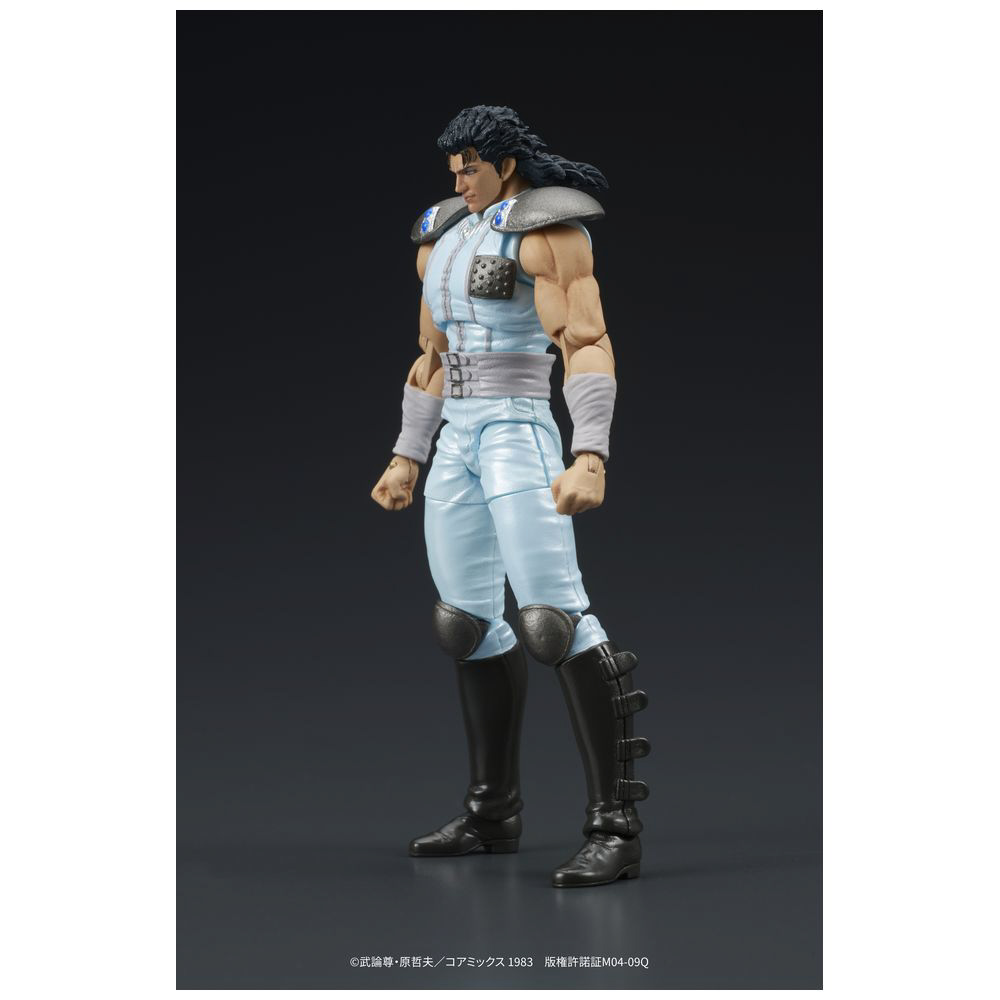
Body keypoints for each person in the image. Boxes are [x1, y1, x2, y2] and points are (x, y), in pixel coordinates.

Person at [371, 106, 649, 888]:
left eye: (472, 167)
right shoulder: (443, 238)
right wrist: (406, 454)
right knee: (464, 621)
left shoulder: (548, 232)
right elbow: (431, 355)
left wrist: (590, 453)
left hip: (517, 428)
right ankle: (492, 813)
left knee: (553, 617)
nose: (460, 180)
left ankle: (615, 827)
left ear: (506, 165)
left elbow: (585, 342)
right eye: (454, 169)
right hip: (457, 435)